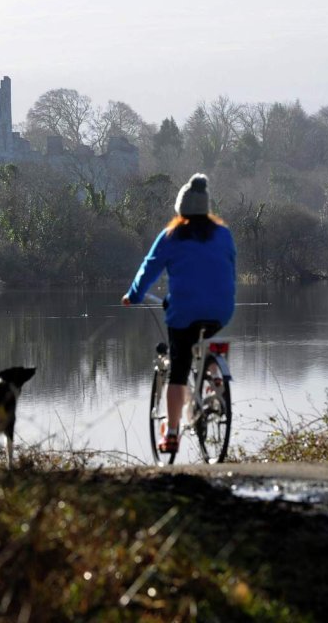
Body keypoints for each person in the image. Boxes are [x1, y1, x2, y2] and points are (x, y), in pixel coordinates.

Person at [121, 173, 236, 453]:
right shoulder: (223, 234)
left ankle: (171, 432)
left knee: (178, 368)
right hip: (221, 311)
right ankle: (214, 373)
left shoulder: (172, 236)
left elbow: (149, 269)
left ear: (180, 208)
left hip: (183, 312)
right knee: (204, 340)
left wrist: (133, 295)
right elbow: (230, 268)